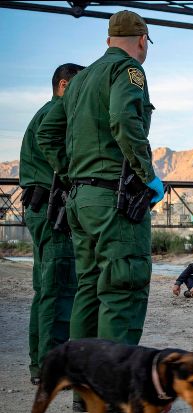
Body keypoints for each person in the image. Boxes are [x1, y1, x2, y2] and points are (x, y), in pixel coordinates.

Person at [36, 10, 161, 413]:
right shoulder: (127, 72)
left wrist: (71, 172)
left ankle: (84, 391)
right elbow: (125, 120)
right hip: (114, 200)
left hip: (80, 200)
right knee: (122, 285)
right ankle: (112, 397)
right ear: (141, 39)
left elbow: (47, 133)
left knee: (88, 288)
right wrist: (145, 174)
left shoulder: (80, 79)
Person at [20, 63, 83, 386]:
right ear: (63, 85)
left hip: (42, 208)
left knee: (46, 291)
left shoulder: (48, 111)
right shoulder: (56, 113)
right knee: (59, 290)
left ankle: (41, 364)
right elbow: (57, 151)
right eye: (78, 86)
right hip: (50, 210)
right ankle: (51, 367)